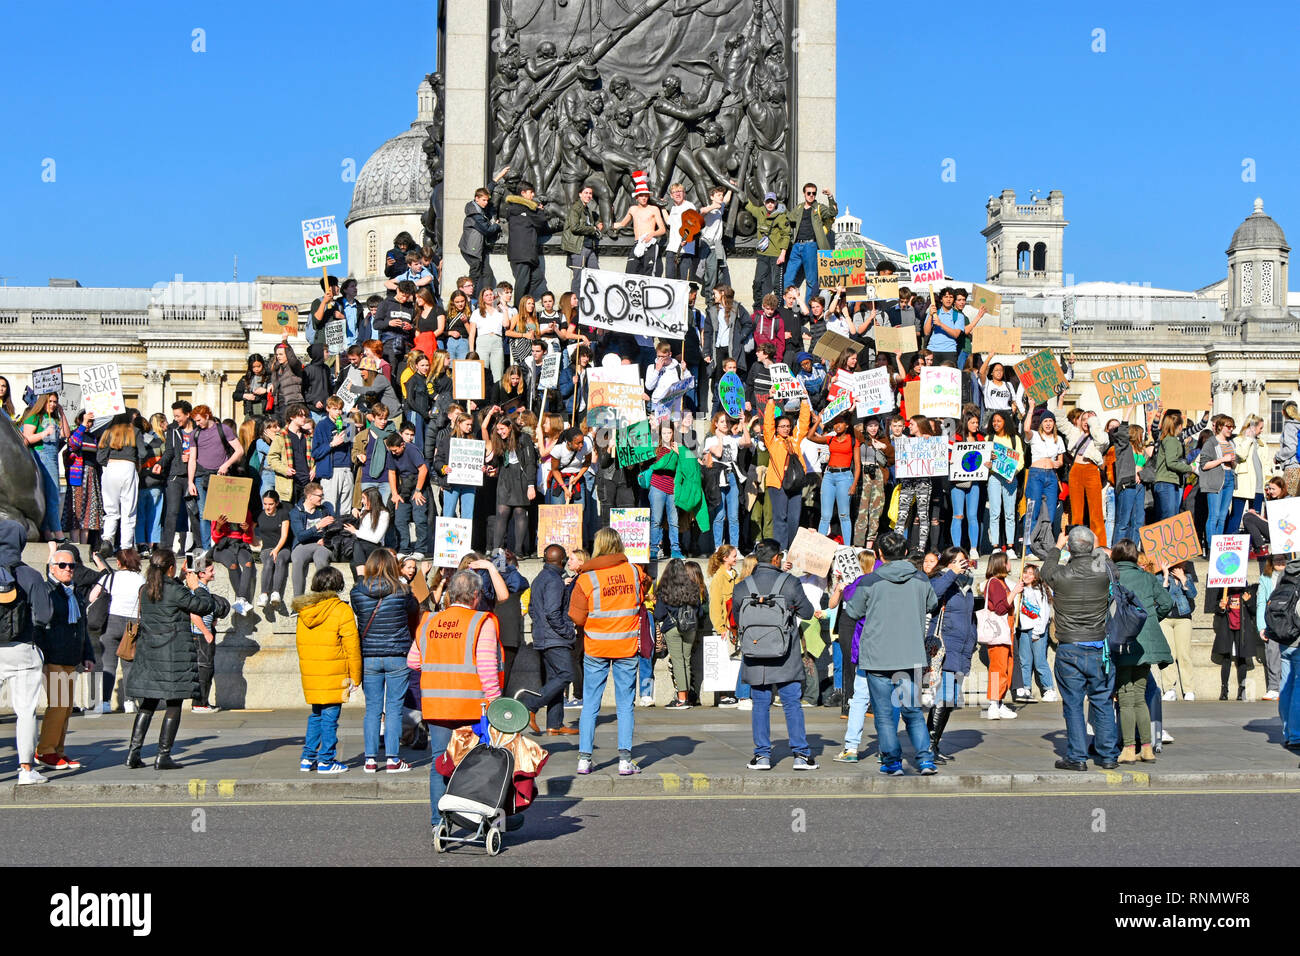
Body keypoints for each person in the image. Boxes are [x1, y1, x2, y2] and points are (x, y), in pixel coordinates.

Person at [412, 568, 504, 834]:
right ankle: (475, 820)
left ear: (451, 595)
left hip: (436, 706)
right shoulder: (481, 622)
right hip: (471, 707)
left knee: (440, 762)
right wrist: (495, 703)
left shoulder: (429, 621)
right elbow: (487, 669)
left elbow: (413, 661)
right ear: (476, 595)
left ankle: (437, 822)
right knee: (475, 765)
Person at [125, 549, 228, 770]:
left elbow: (168, 592)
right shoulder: (175, 590)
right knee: (174, 704)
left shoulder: (146, 589)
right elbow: (203, 606)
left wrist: (179, 579)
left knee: (148, 704)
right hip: (173, 656)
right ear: (170, 567)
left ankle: (133, 753)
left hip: (149, 655)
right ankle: (163, 755)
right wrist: (197, 587)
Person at [569, 527, 651, 776]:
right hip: (626, 646)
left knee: (591, 704)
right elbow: (643, 593)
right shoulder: (635, 572)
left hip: (596, 645)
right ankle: (625, 760)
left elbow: (576, 616)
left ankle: (584, 758)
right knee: (625, 704)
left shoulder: (587, 578)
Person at [732, 539, 818, 771]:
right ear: (776, 558)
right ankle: (801, 754)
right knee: (791, 703)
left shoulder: (742, 586)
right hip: (785, 654)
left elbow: (738, 620)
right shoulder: (789, 583)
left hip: (755, 654)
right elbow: (808, 613)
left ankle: (762, 756)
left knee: (760, 704)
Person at [1041, 526, 1120, 771]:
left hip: (1070, 646)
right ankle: (1108, 755)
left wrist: (1057, 546)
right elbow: (1112, 566)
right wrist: (1093, 545)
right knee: (1102, 701)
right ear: (1092, 546)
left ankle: (1077, 756)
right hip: (1098, 645)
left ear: (1071, 547)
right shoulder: (1104, 572)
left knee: (1073, 704)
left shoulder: (1060, 574)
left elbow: (1045, 570)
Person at [351, 549, 419, 773]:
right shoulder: (402, 590)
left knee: (372, 709)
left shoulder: (357, 592)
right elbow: (414, 608)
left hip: (369, 655)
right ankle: (392, 759)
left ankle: (370, 759)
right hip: (397, 654)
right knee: (394, 708)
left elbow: (359, 611)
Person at [31, 548, 95, 770]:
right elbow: (38, 625)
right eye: (62, 565)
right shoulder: (48, 592)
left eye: (71, 566)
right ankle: (45, 751)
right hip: (53, 655)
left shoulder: (74, 593)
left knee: (66, 707)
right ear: (52, 568)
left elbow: (82, 627)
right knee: (58, 705)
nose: (68, 569)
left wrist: (88, 654)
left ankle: (58, 749)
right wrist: (41, 654)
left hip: (70, 656)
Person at [292, 566, 360, 773]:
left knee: (316, 716)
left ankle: (308, 757)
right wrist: (355, 676)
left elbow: (300, 644)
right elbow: (352, 646)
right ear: (338, 585)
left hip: (313, 672)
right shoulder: (341, 610)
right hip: (335, 671)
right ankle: (326, 760)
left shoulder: (304, 611)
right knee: (330, 717)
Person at [1112, 538, 1173, 762]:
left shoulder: (1112, 577)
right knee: (1139, 696)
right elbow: (1166, 603)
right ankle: (1146, 748)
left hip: (1121, 640)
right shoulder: (1147, 577)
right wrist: (1152, 620)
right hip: (1146, 643)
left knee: (1126, 699)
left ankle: (1129, 748)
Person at [0, 521, 51, 783]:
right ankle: (26, 771)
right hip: (22, 648)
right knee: (25, 711)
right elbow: (44, 616)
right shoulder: (30, 575)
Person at [526, 545, 577, 735]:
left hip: (543, 635)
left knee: (556, 678)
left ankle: (554, 724)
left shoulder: (540, 578)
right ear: (561, 560)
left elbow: (532, 608)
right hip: (555, 638)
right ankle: (531, 705)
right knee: (566, 675)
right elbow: (553, 612)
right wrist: (567, 631)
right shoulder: (555, 580)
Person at [187, 405, 243, 551]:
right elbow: (192, 459)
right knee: (204, 513)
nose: (197, 423)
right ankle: (206, 549)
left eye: (199, 420)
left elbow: (239, 450)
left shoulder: (223, 429)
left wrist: (226, 465)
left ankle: (224, 545)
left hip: (221, 475)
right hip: (201, 475)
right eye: (195, 421)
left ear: (207, 416)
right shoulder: (195, 434)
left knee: (224, 513)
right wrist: (190, 481)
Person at [654, 558, 704, 710]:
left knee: (677, 661)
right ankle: (686, 696)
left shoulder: (664, 589)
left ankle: (681, 699)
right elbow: (700, 612)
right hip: (691, 628)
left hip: (673, 628)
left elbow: (659, 614)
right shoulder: (694, 588)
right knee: (687, 661)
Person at [20, 392, 70, 542]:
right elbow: (26, 439)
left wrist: (62, 414)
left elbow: (66, 434)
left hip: (53, 458)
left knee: (50, 496)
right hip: (41, 457)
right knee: (53, 495)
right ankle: (58, 532)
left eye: (55, 402)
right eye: (50, 401)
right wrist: (44, 433)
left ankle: (47, 531)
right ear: (43, 402)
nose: (53, 404)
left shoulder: (54, 418)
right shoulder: (34, 417)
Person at [762, 399, 811, 550]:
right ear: (777, 428)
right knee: (780, 518)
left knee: (794, 519)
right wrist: (771, 402)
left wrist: (804, 402)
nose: (785, 429)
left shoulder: (794, 440)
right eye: (782, 426)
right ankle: (781, 550)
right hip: (778, 484)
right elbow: (767, 425)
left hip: (795, 484)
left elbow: (803, 424)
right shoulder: (772, 441)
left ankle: (792, 549)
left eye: (788, 426)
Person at [805, 409, 858, 545]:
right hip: (829, 476)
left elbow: (858, 465)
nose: (837, 426)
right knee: (825, 516)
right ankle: (820, 547)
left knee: (844, 515)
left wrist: (854, 485)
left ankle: (847, 547)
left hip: (845, 477)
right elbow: (810, 437)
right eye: (835, 423)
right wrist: (818, 421)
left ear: (847, 425)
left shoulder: (853, 440)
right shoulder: (830, 438)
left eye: (840, 423)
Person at [780, 183, 837, 304]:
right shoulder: (799, 208)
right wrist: (780, 208)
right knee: (788, 278)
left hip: (810, 246)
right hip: (796, 246)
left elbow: (832, 213)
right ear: (804, 194)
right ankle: (788, 306)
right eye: (809, 193)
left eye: (813, 193)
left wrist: (830, 197)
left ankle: (808, 311)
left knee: (811, 281)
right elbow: (790, 217)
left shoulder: (819, 208)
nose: (811, 195)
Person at [1011, 563, 1057, 703]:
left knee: (1039, 661)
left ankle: (1049, 689)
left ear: (1036, 576)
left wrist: (1038, 631)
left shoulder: (1040, 589)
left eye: (1031, 573)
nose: (1027, 575)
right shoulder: (1020, 589)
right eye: (1025, 572)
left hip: (1037, 631)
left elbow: (1044, 612)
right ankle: (1026, 688)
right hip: (1023, 630)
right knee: (1025, 661)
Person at [981, 552, 1018, 719]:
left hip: (1006, 630)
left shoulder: (1001, 582)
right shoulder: (994, 583)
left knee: (1006, 666)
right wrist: (1014, 592)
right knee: (998, 667)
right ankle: (994, 704)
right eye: (1007, 561)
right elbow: (1000, 608)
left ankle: (1000, 701)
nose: (1010, 564)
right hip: (998, 631)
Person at [503, 180, 553, 299]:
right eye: (531, 192)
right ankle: (518, 308)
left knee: (537, 277)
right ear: (523, 193)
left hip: (525, 252)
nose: (533, 195)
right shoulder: (525, 209)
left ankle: (524, 300)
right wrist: (540, 211)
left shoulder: (516, 208)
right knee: (522, 281)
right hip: (523, 253)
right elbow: (541, 222)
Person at [1023, 402, 1064, 537]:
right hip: (1036, 475)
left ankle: (1043, 542)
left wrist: (1056, 464)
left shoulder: (1058, 439)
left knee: (1050, 511)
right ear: (1041, 423)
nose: (1048, 424)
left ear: (1054, 423)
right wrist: (1031, 409)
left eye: (1050, 421)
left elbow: (1061, 461)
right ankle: (1029, 547)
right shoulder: (1034, 436)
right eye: (1045, 421)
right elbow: (1026, 429)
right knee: (1033, 509)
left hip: (1051, 476)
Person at [288, 483, 336, 598]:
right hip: (303, 545)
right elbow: (300, 536)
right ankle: (298, 600)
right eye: (320, 496)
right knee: (297, 559)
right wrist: (318, 526)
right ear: (310, 497)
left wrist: (326, 539)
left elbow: (335, 530)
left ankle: (324, 597)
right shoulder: (296, 512)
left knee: (321, 559)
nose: (322, 498)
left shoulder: (324, 510)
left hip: (321, 545)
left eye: (322, 495)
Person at [1212, 581, 1256, 701]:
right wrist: (1221, 607)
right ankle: (1224, 689)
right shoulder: (1225, 591)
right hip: (1228, 628)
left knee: (1242, 659)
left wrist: (1249, 602)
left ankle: (1242, 689)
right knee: (1226, 658)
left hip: (1242, 630)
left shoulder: (1247, 592)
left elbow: (1254, 611)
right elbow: (1217, 609)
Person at [1199, 414, 1238, 542]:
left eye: (1233, 427)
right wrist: (1223, 459)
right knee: (1214, 516)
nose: (1231, 429)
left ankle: (1218, 547)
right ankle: (1211, 547)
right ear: (1220, 427)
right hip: (1215, 481)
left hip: (1229, 478)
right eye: (1228, 426)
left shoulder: (1230, 443)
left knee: (1222, 516)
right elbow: (1204, 465)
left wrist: (1232, 463)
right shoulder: (1211, 442)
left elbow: (1233, 463)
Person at [1153, 410, 1196, 520]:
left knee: (1169, 517)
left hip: (1169, 482)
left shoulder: (1169, 439)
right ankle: (1165, 538)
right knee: (1169, 519)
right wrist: (1189, 468)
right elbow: (1171, 462)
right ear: (1180, 426)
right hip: (1167, 482)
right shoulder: (1171, 440)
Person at [254, 490, 292, 610]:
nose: (267, 507)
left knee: (280, 560)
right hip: (266, 548)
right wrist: (255, 542)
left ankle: (276, 592)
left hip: (282, 547)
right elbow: (250, 531)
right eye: (265, 504)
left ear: (276, 503)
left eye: (270, 504)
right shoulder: (259, 514)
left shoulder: (283, 514)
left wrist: (276, 550)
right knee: (269, 562)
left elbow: (284, 535)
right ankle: (264, 594)